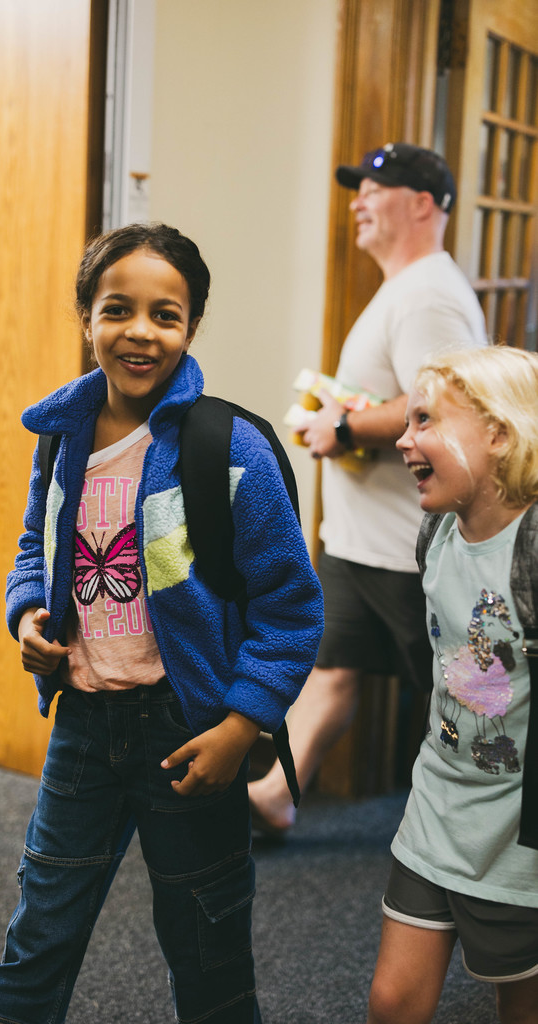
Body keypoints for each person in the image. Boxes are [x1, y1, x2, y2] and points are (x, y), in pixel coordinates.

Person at [0, 222, 323, 1024]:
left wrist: (243, 725)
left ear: (191, 327)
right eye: (116, 309)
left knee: (208, 955)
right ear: (86, 317)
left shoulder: (229, 449)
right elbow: (38, 547)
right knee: (37, 940)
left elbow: (290, 608)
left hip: (187, 729)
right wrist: (28, 612)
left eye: (165, 315)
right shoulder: (60, 438)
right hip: (85, 728)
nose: (139, 331)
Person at [249, 142, 487, 836]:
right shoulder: (403, 287)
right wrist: (340, 414)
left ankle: (481, 826)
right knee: (331, 666)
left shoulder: (429, 295)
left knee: (463, 694)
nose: (356, 201)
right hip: (360, 539)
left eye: (372, 189)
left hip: (405, 548)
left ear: (422, 205)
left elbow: (442, 407)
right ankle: (273, 794)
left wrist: (344, 430)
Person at [367, 345, 538, 1024]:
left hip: (518, 834)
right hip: (438, 802)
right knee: (391, 1002)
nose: (405, 439)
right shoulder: (436, 533)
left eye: (426, 420)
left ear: (497, 434)